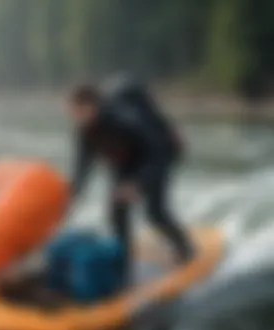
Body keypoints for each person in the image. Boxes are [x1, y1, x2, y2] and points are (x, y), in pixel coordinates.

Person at [67, 75, 194, 286]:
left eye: (78, 110)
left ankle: (185, 250)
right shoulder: (84, 130)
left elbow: (159, 151)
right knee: (117, 211)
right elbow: (82, 169)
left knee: (155, 212)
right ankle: (123, 270)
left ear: (94, 105)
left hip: (156, 156)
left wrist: (139, 183)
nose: (74, 116)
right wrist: (70, 197)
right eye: (72, 111)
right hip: (125, 163)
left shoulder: (125, 119)